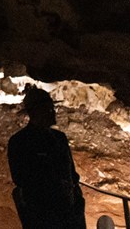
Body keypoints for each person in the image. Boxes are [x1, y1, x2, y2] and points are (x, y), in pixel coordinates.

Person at [7, 87, 86, 229]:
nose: (53, 113)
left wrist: (77, 201)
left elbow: (71, 173)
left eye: (52, 108)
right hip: (42, 213)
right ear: (34, 113)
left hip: (67, 210)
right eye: (48, 109)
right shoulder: (20, 142)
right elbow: (20, 179)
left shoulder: (60, 138)